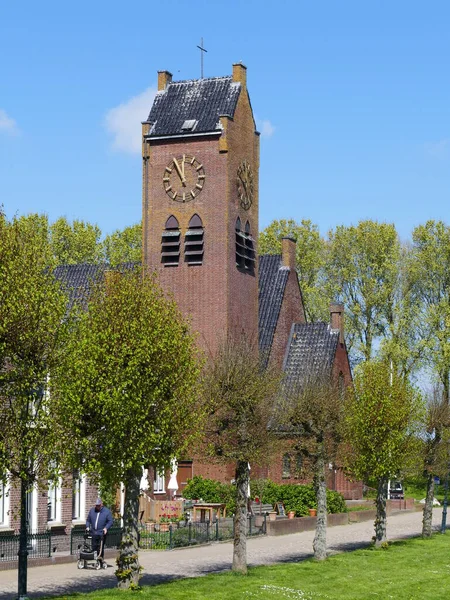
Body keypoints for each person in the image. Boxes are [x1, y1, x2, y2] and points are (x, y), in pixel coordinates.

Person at [86, 497, 113, 567]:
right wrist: (87, 526)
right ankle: (94, 560)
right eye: (96, 505)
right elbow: (88, 520)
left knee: (100, 547)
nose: (97, 507)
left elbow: (110, 521)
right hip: (93, 532)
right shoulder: (92, 511)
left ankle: (100, 561)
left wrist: (106, 528)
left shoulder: (106, 512)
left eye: (98, 505)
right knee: (94, 547)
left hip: (101, 533)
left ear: (101, 504)